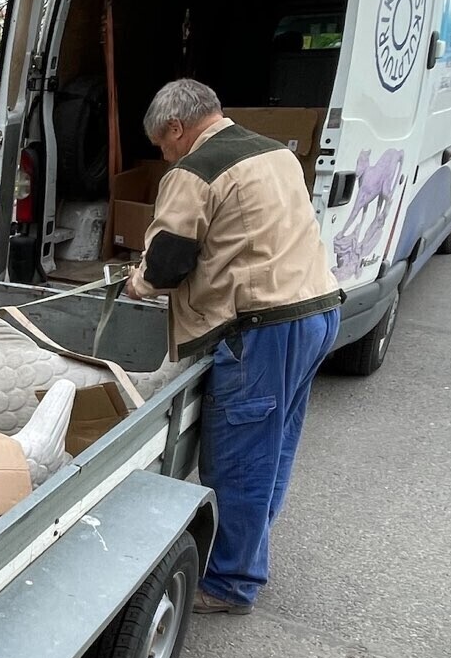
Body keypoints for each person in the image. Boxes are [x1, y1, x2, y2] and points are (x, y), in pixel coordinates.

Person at [124, 78, 342, 614]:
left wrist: (138, 282)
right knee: (274, 445)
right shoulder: (273, 152)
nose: (165, 155)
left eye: (163, 144)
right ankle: (249, 548)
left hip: (261, 329)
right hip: (316, 311)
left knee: (239, 460)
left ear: (176, 127)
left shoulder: (195, 171)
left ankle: (229, 582)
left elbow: (169, 262)